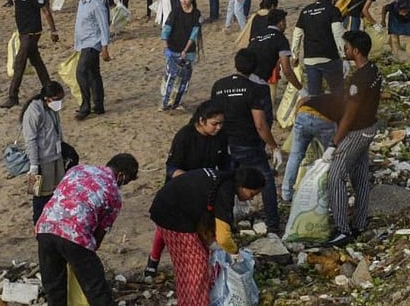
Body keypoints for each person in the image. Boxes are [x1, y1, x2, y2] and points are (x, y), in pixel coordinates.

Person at [148, 167, 264, 305]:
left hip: (173, 208)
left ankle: (189, 301)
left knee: (193, 265)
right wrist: (234, 252)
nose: (251, 198)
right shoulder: (225, 191)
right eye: (252, 193)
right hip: (170, 214)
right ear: (242, 186)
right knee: (196, 266)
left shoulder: (225, 178)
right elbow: (223, 237)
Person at [35, 153, 139, 306]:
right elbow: (99, 234)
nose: (123, 185)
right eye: (126, 181)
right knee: (96, 290)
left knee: (54, 288)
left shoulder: (78, 169)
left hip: (45, 227)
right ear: (122, 175)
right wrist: (83, 259)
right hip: (75, 235)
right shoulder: (114, 194)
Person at [144, 101, 229, 278]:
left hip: (207, 188)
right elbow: (172, 167)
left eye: (221, 123)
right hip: (181, 188)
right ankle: (154, 259)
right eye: (214, 124)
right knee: (165, 225)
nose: (218, 128)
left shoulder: (220, 137)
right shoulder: (185, 136)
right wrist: (192, 181)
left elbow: (224, 164)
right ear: (201, 120)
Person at [321, 31, 382, 246]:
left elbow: (350, 115)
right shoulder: (373, 70)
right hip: (370, 127)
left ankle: (342, 229)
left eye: (346, 47)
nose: (344, 50)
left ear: (355, 51)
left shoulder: (360, 79)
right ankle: (360, 222)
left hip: (357, 131)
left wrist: (334, 143)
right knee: (359, 175)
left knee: (335, 176)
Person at [210, 49, 281, 234]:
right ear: (254, 68)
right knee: (266, 180)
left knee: (225, 183)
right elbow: (260, 124)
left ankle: (226, 223)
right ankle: (273, 223)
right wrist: (274, 146)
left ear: (236, 64)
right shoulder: (253, 89)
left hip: (224, 143)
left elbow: (213, 114)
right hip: (248, 144)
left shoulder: (218, 86)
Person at [0, 0, 59, 109]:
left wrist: (53, 31)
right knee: (36, 61)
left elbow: (45, 11)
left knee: (19, 63)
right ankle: (49, 88)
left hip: (32, 33)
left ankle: (12, 96)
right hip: (22, 32)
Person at [21, 82, 67, 223]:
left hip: (55, 157)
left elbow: (57, 130)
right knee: (39, 195)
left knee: (58, 191)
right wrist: (34, 165)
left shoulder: (51, 109)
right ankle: (38, 223)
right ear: (47, 98)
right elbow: (30, 140)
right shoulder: (33, 111)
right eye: (57, 99)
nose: (59, 103)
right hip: (41, 161)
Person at [291, 0, 345, 96]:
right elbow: (338, 34)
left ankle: (315, 112)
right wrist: (344, 55)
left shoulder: (305, 11)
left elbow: (297, 34)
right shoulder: (332, 10)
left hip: (309, 58)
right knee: (337, 91)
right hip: (329, 57)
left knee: (314, 95)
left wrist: (295, 56)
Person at [281, 100, 336, 202]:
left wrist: (298, 117)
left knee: (295, 156)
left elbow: (302, 100)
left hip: (303, 115)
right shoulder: (343, 96)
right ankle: (327, 191)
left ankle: (286, 193)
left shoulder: (317, 90)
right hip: (325, 120)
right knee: (329, 157)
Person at [248, 9, 304, 112]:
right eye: (285, 22)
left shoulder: (256, 37)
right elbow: (287, 70)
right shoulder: (280, 38)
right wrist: (300, 88)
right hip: (260, 83)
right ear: (281, 23)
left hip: (247, 81)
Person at [73, 0, 111, 121]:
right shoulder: (82, 2)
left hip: (93, 44)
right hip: (83, 43)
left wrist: (105, 47)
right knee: (93, 74)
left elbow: (104, 26)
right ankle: (99, 106)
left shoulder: (97, 4)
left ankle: (85, 107)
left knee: (81, 72)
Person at [160, 0, 202, 111]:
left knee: (184, 78)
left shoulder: (196, 14)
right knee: (171, 77)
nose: (183, 1)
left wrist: (185, 50)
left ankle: (177, 102)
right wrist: (166, 46)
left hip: (188, 51)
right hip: (173, 48)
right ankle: (165, 102)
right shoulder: (175, 12)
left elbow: (194, 34)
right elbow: (166, 29)